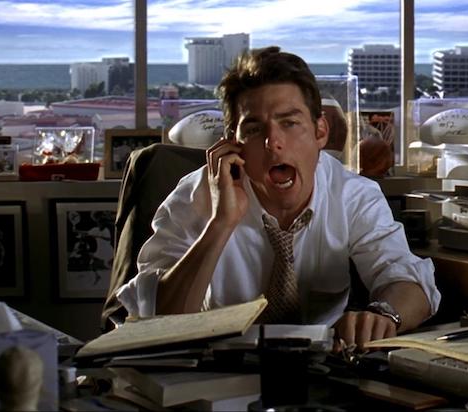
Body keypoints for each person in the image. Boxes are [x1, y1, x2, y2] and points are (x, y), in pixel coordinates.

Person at [116, 46, 440, 350]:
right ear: (232, 143)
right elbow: (159, 321)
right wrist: (220, 224)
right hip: (217, 363)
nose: (274, 143)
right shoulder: (194, 196)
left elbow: (410, 283)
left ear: (320, 132)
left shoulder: (353, 195)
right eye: (254, 129)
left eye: (290, 123)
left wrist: (385, 315)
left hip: (323, 366)